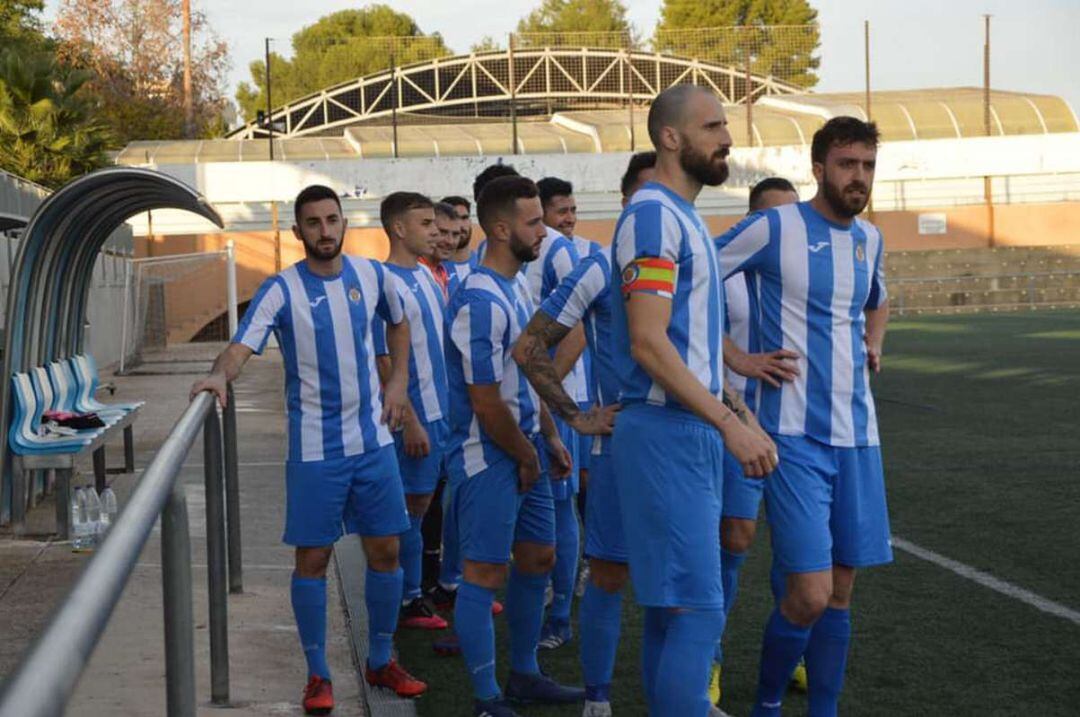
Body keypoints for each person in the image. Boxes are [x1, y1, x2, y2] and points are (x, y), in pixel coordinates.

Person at [190, 185, 428, 715]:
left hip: (372, 443)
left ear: (344, 223)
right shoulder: (280, 290)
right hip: (316, 449)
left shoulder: (372, 275)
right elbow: (240, 346)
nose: (325, 230)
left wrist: (398, 383)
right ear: (299, 232)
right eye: (314, 223)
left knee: (386, 550)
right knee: (313, 559)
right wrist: (216, 377)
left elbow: (399, 319)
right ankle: (318, 673)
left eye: (332, 219)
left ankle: (382, 658)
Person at [715, 117, 892, 717]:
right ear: (818, 168)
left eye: (867, 165)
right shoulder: (774, 227)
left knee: (841, 593)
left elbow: (877, 299)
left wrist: (874, 342)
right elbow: (690, 280)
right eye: (847, 164)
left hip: (859, 438)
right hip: (791, 437)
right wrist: (736, 357)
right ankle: (767, 704)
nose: (859, 177)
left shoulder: (870, 239)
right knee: (809, 595)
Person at [609, 85, 778, 716]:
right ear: (671, 138)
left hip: (685, 429)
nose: (727, 138)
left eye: (725, 125)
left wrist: (734, 405)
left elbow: (689, 346)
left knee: (670, 610)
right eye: (712, 127)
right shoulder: (653, 216)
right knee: (699, 610)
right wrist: (728, 426)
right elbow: (649, 345)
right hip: (667, 432)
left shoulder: (681, 218)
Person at [445, 174, 586, 717]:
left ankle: (524, 672)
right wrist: (527, 454)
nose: (544, 231)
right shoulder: (478, 301)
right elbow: (484, 401)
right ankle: (486, 699)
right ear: (502, 229)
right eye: (534, 222)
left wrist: (549, 434)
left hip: (526, 447)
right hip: (487, 457)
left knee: (539, 558)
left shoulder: (517, 286)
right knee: (484, 572)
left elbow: (528, 370)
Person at [709, 178, 803, 708]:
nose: (789, 225)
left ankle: (795, 654)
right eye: (776, 215)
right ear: (752, 219)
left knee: (801, 546)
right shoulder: (728, 272)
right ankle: (710, 659)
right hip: (741, 421)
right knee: (737, 537)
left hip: (800, 423)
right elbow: (698, 337)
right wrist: (737, 396)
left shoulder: (807, 266)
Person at [372, 192, 451, 633]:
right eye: (425, 224)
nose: (434, 231)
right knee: (409, 508)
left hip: (442, 412)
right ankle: (404, 600)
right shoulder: (385, 281)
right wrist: (412, 419)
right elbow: (384, 359)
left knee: (423, 507)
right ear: (399, 229)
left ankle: (419, 591)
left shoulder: (424, 275)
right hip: (416, 417)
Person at [526, 177, 587, 651]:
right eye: (558, 211)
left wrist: (549, 391)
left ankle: (561, 615)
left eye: (571, 209)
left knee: (560, 502)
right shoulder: (515, 253)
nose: (567, 219)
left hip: (561, 403)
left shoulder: (561, 252)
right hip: (526, 401)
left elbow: (578, 327)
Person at [420, 201, 459, 298]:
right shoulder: (414, 272)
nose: (450, 241)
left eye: (455, 234)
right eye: (443, 232)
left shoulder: (441, 271)